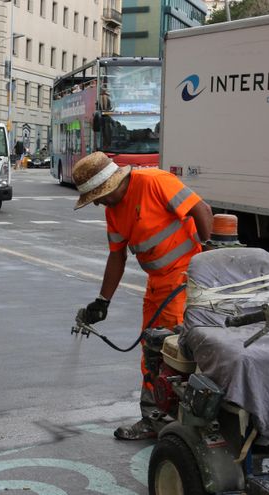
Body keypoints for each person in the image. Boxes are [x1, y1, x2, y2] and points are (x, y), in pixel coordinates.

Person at [73, 151, 213, 440]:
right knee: (151, 351)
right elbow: (117, 257)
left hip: (183, 279)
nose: (98, 203)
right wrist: (103, 301)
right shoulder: (114, 212)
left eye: (98, 196)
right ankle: (153, 418)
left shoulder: (154, 182)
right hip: (156, 284)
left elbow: (202, 211)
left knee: (174, 352)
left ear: (112, 184)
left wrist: (208, 261)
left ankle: (179, 425)